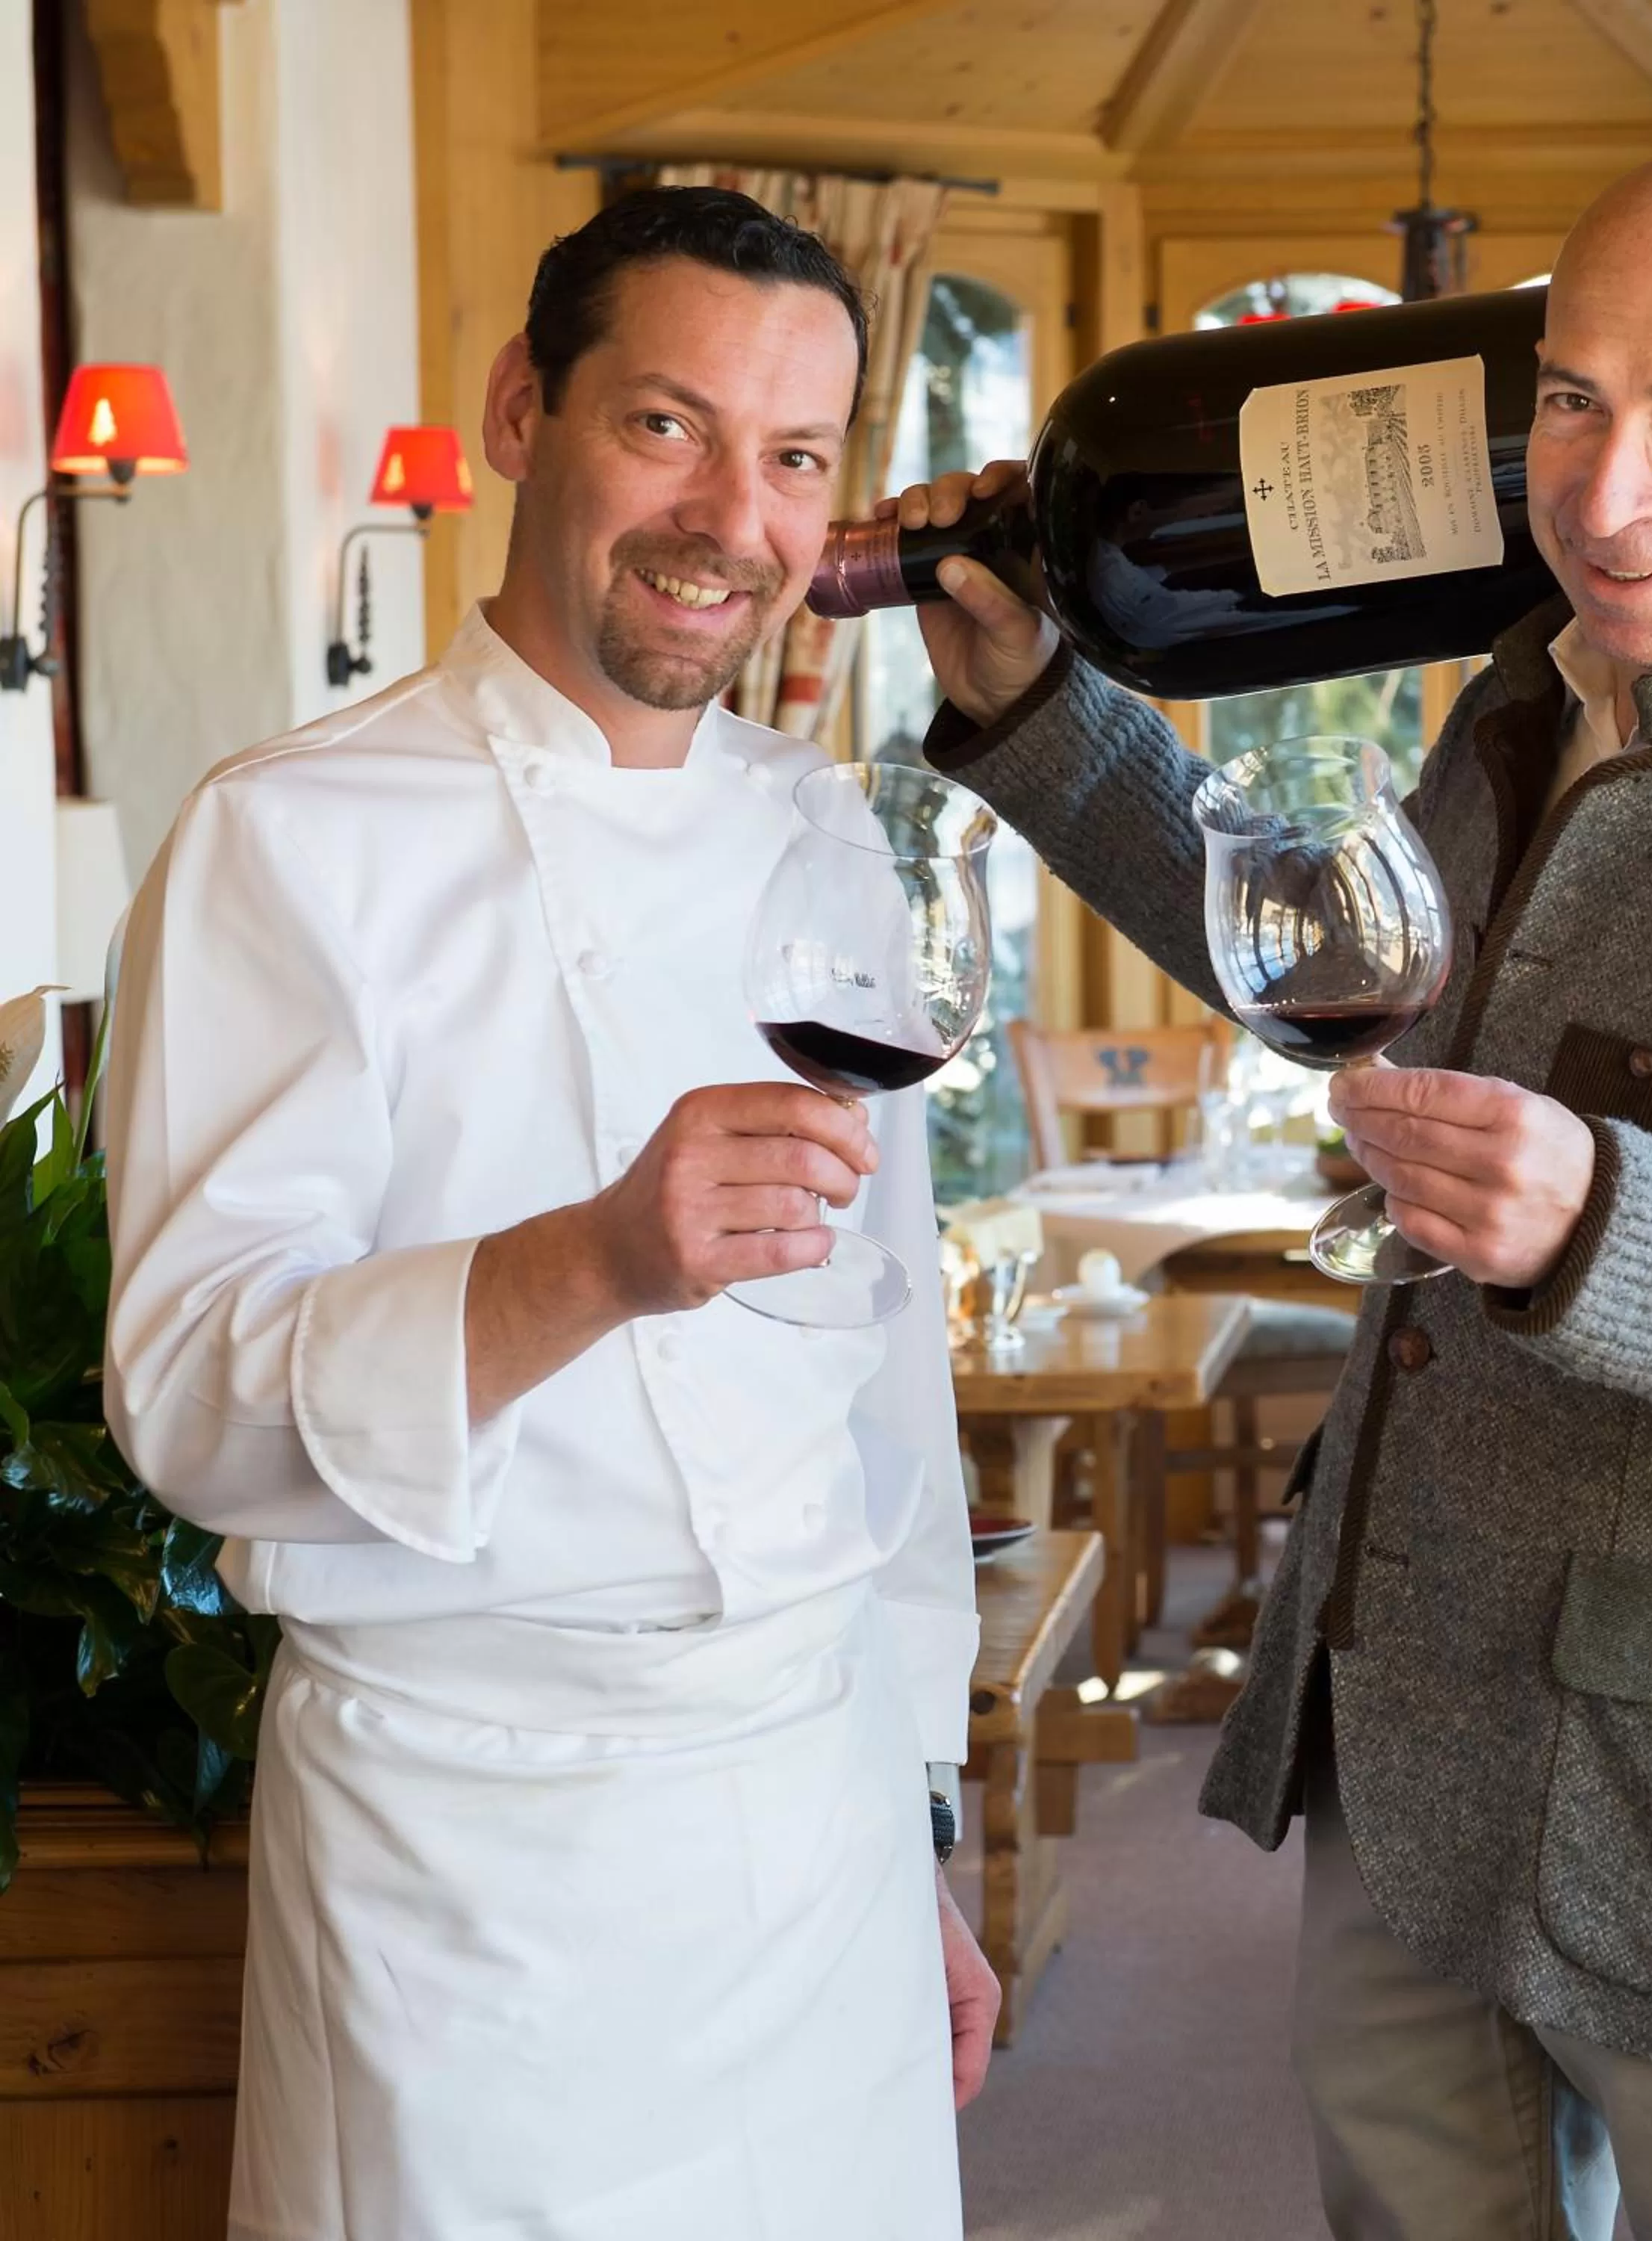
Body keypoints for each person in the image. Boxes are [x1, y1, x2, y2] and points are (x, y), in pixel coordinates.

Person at [895, 146, 1652, 2239]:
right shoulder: (1521, 702)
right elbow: (1323, 954)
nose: (1603, 489)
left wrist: (1603, 1230)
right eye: (1571, 400)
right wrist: (1034, 706)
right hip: (1415, 1754)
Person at [103, 186, 997, 2241]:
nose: (731, 522)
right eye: (666, 427)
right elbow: (191, 1403)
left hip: (815, 1828)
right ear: (524, 411)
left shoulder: (824, 840)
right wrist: (588, 1265)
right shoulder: (287, 840)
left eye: (794, 459)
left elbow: (883, 1399)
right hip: (468, 1872)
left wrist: (920, 1830)